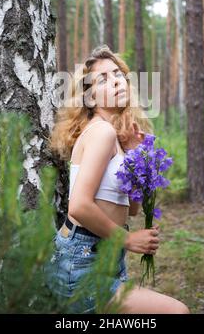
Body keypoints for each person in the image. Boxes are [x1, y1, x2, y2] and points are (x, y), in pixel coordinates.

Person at [45, 44, 190, 314]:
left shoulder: (117, 139)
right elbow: (78, 206)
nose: (115, 81)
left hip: (105, 257)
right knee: (176, 311)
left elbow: (132, 209)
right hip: (82, 261)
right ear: (89, 97)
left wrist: (136, 156)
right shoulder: (102, 133)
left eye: (118, 74)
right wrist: (128, 240)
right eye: (103, 79)